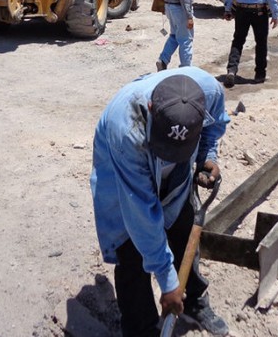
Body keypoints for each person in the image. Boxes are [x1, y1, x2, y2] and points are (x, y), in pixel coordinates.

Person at [91, 68, 230, 337]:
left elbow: (215, 126)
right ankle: (141, 328)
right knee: (131, 246)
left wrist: (206, 155)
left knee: (183, 226)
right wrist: (168, 284)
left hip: (175, 170)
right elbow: (142, 214)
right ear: (151, 108)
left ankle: (194, 301)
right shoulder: (128, 128)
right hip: (124, 168)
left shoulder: (210, 92)